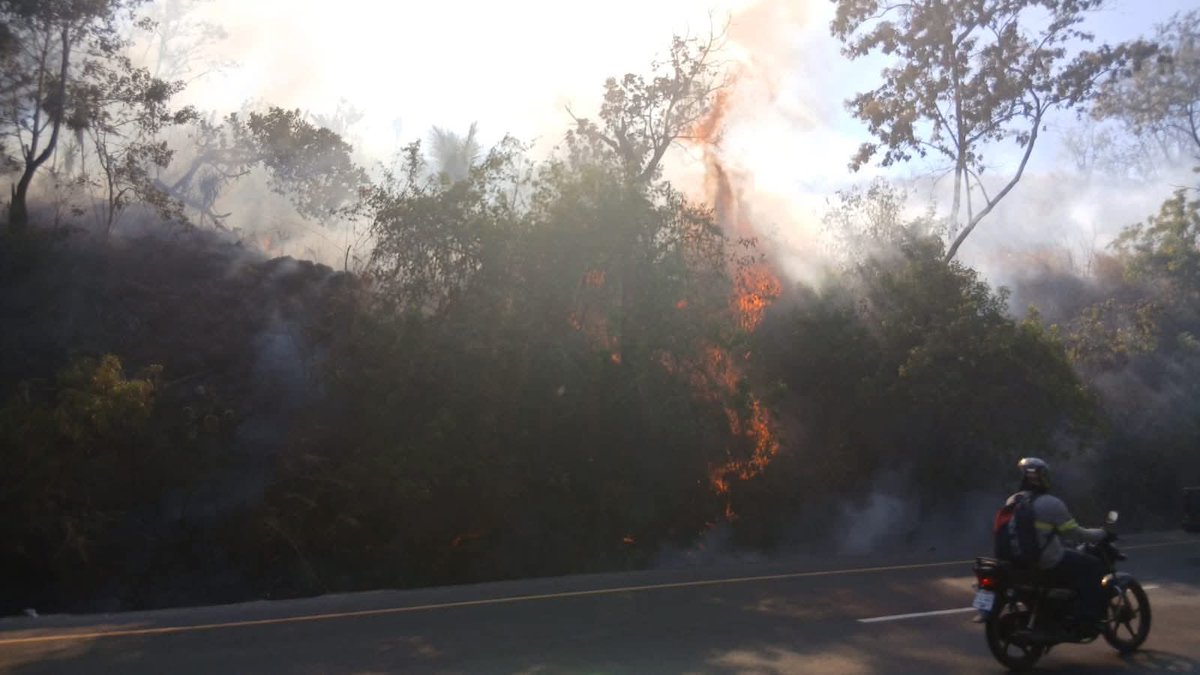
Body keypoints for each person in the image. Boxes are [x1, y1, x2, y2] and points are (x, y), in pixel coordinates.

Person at [1014, 457, 1109, 638]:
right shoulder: (1050, 503)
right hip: (1046, 561)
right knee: (1093, 566)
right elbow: (1073, 532)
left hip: (1018, 560)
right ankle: (1087, 619)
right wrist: (1100, 534)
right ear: (1044, 478)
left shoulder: (1013, 501)